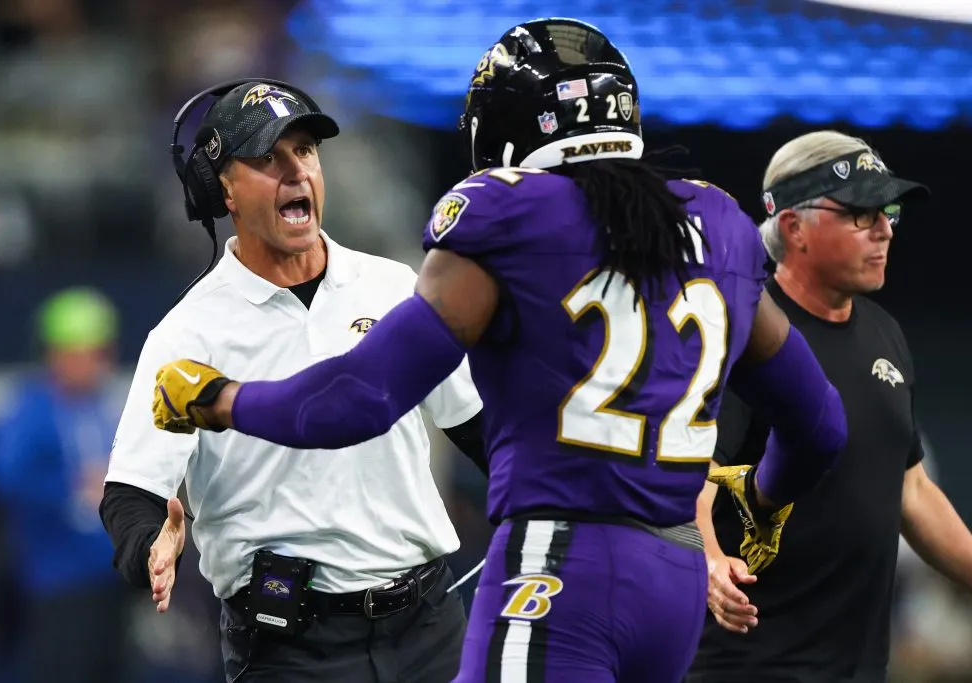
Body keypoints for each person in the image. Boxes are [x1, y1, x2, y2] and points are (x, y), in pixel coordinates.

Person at [150, 20, 847, 683]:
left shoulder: (510, 214)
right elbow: (820, 424)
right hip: (675, 579)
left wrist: (220, 399)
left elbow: (361, 398)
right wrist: (762, 499)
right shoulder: (717, 221)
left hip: (561, 568)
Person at [100, 78, 485, 683]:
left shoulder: (393, 286)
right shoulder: (186, 334)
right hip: (290, 648)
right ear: (221, 188)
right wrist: (149, 544)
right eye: (266, 159)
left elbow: (478, 427)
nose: (295, 171)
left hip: (429, 627)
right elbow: (130, 491)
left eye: (305, 151)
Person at [688, 130, 972, 683]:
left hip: (856, 666)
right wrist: (709, 564)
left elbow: (910, 488)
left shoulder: (884, 333)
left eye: (888, 212)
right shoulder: (748, 331)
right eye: (863, 214)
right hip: (748, 666)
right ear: (795, 227)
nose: (885, 230)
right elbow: (690, 470)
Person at [0, 288, 131, 683]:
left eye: (100, 352)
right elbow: (3, 475)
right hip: (57, 582)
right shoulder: (32, 407)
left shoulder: (105, 404)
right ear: (56, 354)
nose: (94, 363)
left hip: (110, 577)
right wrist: (70, 486)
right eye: (81, 352)